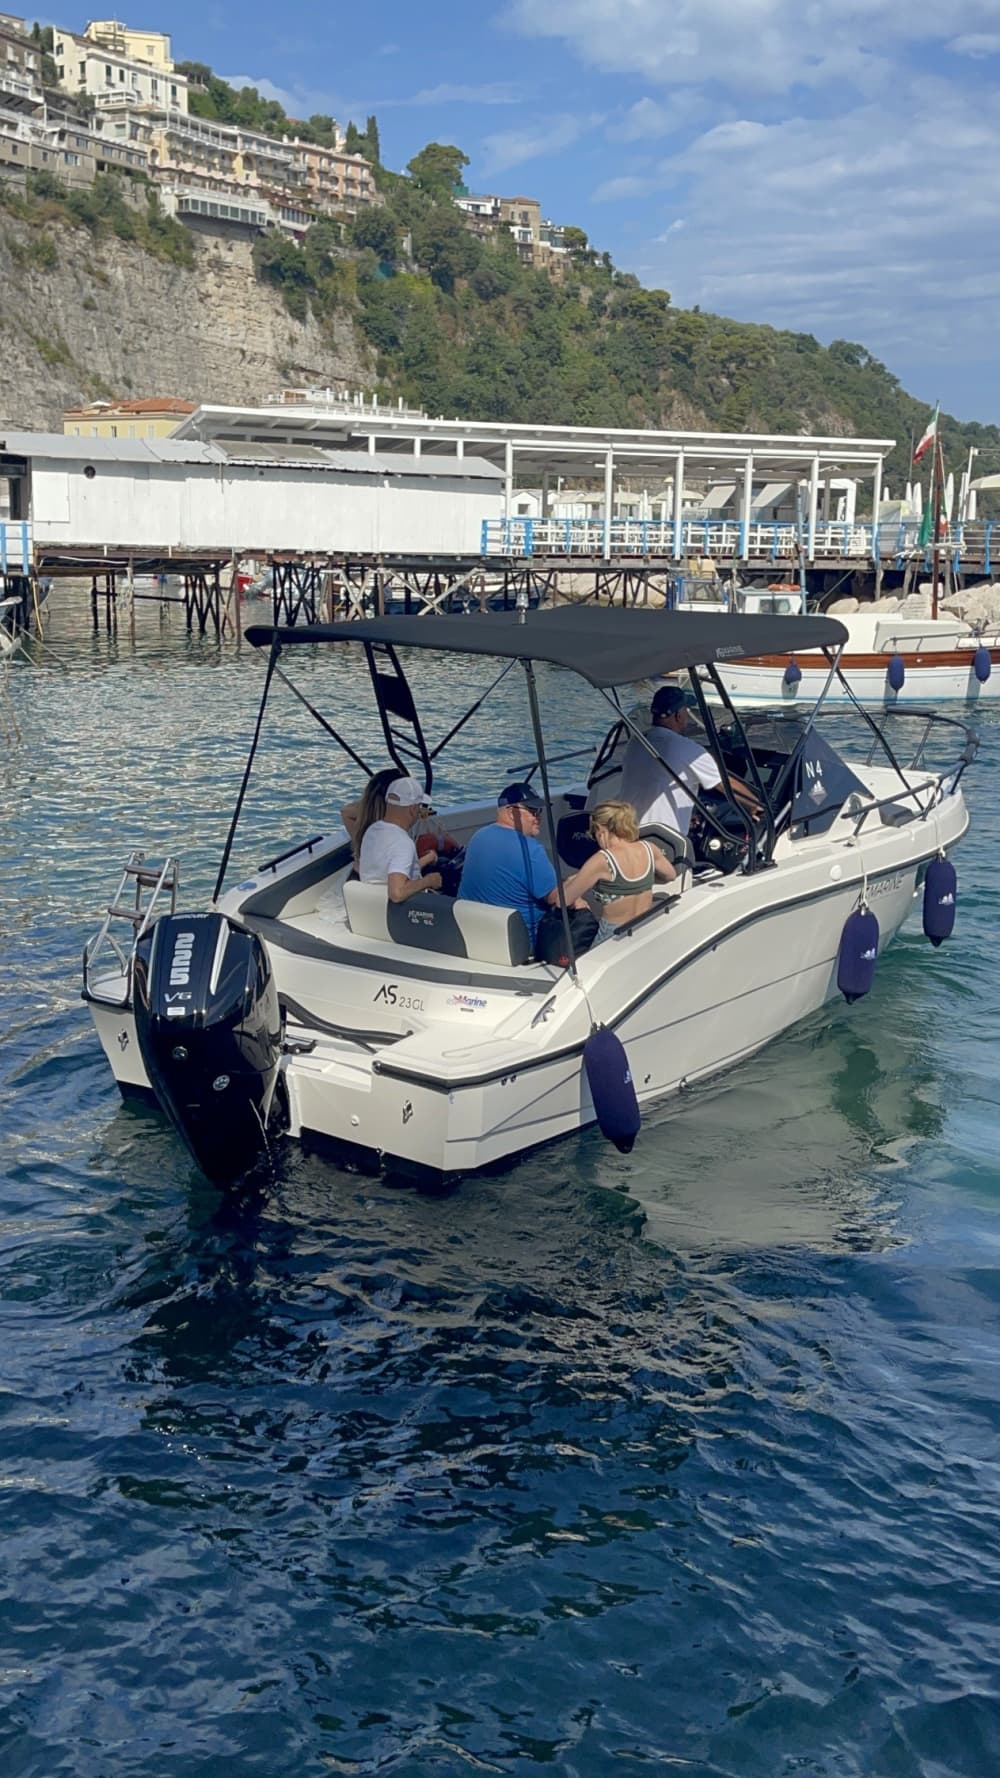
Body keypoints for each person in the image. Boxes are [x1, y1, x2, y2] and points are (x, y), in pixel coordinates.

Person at [617, 684, 759, 837]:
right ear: (678, 715)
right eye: (686, 710)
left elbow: (654, 781)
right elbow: (725, 784)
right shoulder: (689, 750)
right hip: (661, 838)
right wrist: (754, 806)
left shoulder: (636, 742)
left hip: (627, 830)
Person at [457, 782, 583, 947]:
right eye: (532, 811)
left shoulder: (478, 836)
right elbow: (557, 898)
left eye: (539, 811)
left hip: (473, 934)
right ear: (510, 812)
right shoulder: (530, 849)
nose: (538, 817)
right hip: (519, 941)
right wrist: (584, 877)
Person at [561, 800, 677, 943]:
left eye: (593, 831)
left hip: (613, 934)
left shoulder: (602, 860)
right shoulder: (649, 848)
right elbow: (670, 876)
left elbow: (563, 900)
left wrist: (572, 880)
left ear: (601, 829)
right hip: (643, 927)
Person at [358, 775, 442, 902]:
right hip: (403, 913)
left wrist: (425, 860)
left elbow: (386, 873)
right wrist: (429, 880)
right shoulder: (403, 843)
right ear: (413, 809)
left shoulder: (372, 831)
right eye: (419, 807)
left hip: (370, 904)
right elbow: (396, 893)